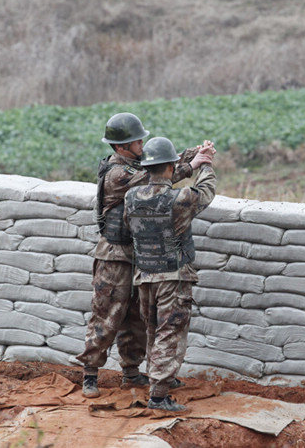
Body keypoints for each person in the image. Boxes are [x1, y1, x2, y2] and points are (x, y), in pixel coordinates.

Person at [75, 112, 209, 398]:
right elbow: (156, 175)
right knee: (108, 314)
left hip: (137, 255)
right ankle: (90, 373)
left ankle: (131, 371)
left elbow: (159, 162)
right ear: (121, 147)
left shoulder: (132, 163)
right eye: (137, 141)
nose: (142, 143)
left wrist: (196, 151)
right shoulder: (117, 174)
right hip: (114, 256)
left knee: (136, 318)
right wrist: (193, 166)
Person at [124, 136, 216, 413]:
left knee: (153, 330)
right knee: (169, 333)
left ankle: (159, 378)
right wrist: (206, 164)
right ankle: (159, 395)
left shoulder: (131, 196)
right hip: (173, 278)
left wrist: (190, 161)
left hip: (145, 276)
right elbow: (207, 191)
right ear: (169, 167)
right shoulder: (180, 199)